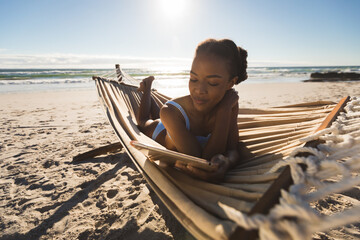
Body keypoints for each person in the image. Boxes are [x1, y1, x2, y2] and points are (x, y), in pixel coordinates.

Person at [136, 38, 248, 181]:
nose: (199, 90)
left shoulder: (229, 103)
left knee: (157, 113)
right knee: (143, 121)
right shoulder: (169, 111)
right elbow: (201, 160)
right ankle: (148, 86)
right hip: (162, 129)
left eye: (213, 83)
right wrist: (223, 111)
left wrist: (227, 162)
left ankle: (151, 94)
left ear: (230, 83)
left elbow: (233, 149)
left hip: (176, 121)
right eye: (193, 79)